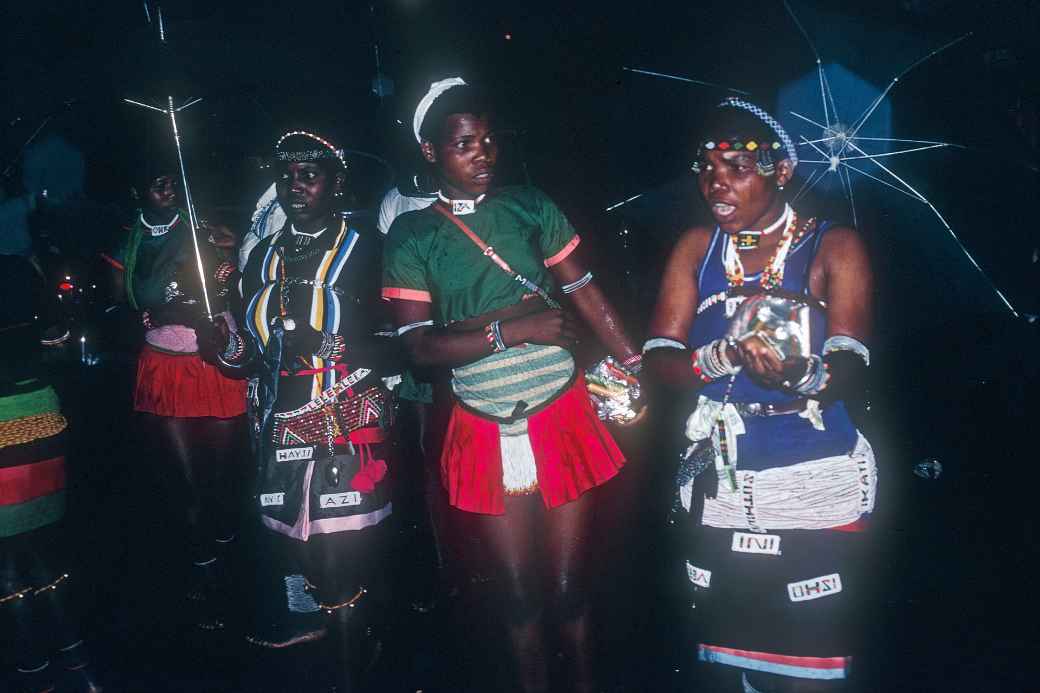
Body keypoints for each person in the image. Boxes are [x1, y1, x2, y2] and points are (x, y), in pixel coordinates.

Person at [383, 78, 641, 693]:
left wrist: (633, 359)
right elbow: (419, 348)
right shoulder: (412, 235)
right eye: (464, 144)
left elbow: (581, 288)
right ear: (430, 153)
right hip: (482, 421)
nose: (482, 154)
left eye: (489, 140)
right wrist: (514, 330)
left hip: (562, 411)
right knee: (519, 597)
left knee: (569, 589)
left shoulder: (529, 204)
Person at [644, 98, 877, 692]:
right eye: (706, 167)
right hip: (722, 479)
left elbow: (851, 363)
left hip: (813, 474)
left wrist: (800, 377)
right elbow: (660, 360)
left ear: (781, 170)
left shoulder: (834, 246)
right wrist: (721, 355)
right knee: (728, 660)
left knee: (809, 665)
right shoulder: (697, 248)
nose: (715, 182)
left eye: (736, 167)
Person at [200, 130, 398, 689]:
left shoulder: (368, 250)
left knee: (340, 554)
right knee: (299, 549)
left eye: (309, 174)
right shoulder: (260, 256)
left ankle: (352, 662)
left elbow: (406, 340)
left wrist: (335, 346)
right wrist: (224, 344)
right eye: (286, 175)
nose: (295, 185)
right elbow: (247, 356)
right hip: (275, 424)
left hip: (344, 417)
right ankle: (343, 632)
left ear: (337, 184)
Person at [103, 162, 247, 631]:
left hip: (217, 363)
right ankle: (206, 572)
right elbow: (122, 306)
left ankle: (231, 558)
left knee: (221, 478)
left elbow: (240, 281)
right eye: (155, 179)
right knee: (187, 482)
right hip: (165, 367)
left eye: (173, 178)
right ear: (136, 189)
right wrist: (156, 312)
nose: (167, 186)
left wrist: (234, 253)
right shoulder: (128, 243)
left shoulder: (205, 227)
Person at [1, 246, 101, 693]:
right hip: (42, 421)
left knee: (6, 562)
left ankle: (33, 668)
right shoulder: (21, 265)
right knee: (40, 551)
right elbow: (61, 342)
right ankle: (78, 662)